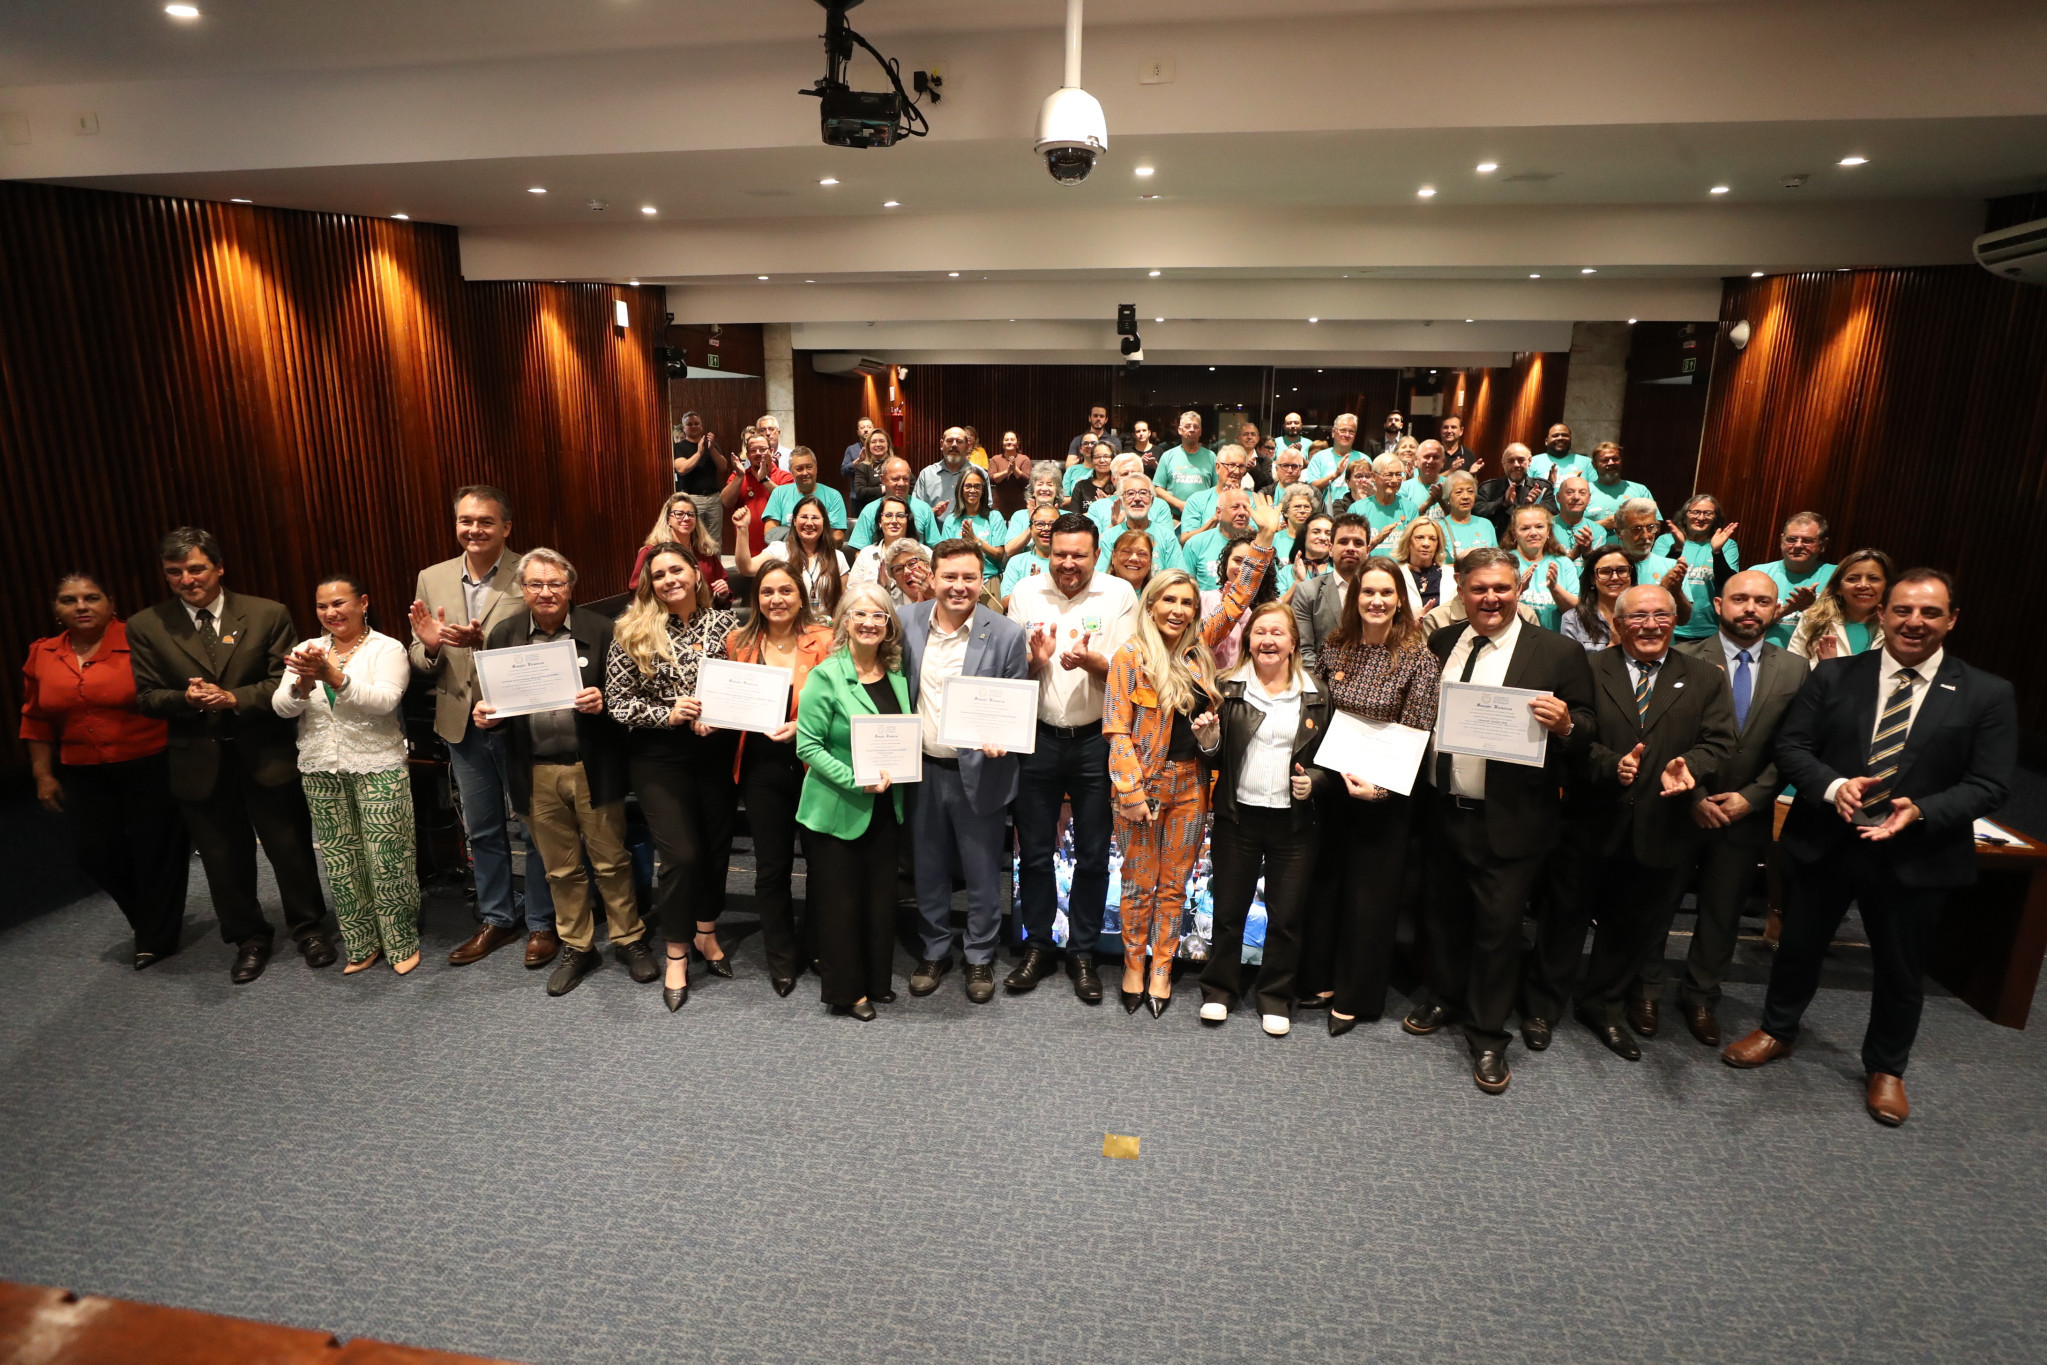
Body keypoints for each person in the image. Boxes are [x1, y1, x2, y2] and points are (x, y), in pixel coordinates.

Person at [1725, 570, 2015, 1127]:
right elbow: (1792, 745)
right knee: (1798, 948)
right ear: (1882, 615)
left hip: (1916, 850)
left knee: (1902, 968)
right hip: (1827, 838)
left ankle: (1886, 1067)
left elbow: (1991, 783)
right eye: (1902, 610)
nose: (1914, 622)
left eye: (1930, 613)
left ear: (1952, 620)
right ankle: (1777, 1029)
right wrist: (1833, 786)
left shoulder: (1986, 693)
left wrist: (1922, 810)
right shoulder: (1832, 675)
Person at [1407, 548, 1595, 1095]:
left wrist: (1565, 725)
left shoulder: (1557, 652)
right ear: (1460, 592)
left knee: (1497, 929)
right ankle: (1443, 995)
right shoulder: (1441, 643)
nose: (1491, 599)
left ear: (1518, 589)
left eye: (1502, 588)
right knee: (1442, 914)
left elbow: (1587, 727)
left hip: (1511, 818)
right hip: (1443, 807)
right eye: (1480, 589)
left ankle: (1488, 1032)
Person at [129, 528, 334, 982]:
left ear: (219, 567)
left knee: (291, 849)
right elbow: (146, 697)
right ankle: (248, 938)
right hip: (197, 761)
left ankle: (309, 928)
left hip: (265, 752)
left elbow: (286, 682)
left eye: (196, 568)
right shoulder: (146, 625)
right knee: (223, 858)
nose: (187, 579)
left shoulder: (267, 613)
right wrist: (187, 699)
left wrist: (233, 699)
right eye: (174, 572)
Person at [1555, 585, 1735, 1060]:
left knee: (1629, 927)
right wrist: (1609, 764)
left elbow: (1720, 741)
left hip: (1661, 825)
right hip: (1590, 819)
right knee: (1563, 920)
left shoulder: (1705, 677)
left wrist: (1689, 765)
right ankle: (1542, 1006)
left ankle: (1603, 1008)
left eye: (1661, 615)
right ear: (1617, 623)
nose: (1650, 625)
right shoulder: (1588, 670)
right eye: (1637, 617)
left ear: (1675, 621)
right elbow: (1569, 736)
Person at [1104, 532, 1272, 1017]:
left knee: (1175, 885)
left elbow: (1240, 597)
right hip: (1141, 788)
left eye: (1187, 602)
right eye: (1169, 601)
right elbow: (1116, 732)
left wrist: (1262, 539)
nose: (1178, 610)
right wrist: (1131, 792)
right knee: (1138, 884)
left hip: (1190, 788)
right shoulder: (1129, 657)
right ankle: (1133, 965)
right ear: (1151, 604)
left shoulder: (1199, 651)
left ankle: (1162, 967)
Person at [472, 549, 648, 997]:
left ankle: (629, 938)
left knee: (611, 861)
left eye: (556, 584)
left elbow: (629, 696)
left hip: (592, 767)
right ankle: (577, 944)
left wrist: (603, 703)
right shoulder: (504, 635)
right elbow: (491, 702)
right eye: (536, 584)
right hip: (535, 772)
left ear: (571, 587)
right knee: (561, 869)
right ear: (523, 589)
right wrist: (485, 715)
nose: (546, 592)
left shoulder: (602, 630)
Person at [408, 486, 560, 966]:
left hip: (522, 724)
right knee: (483, 829)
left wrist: (485, 643)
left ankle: (541, 922)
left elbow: (551, 637)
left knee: (536, 827)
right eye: (465, 521)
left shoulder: (532, 572)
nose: (474, 529)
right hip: (461, 726)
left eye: (485, 522)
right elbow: (420, 655)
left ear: (506, 527)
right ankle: (496, 916)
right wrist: (431, 647)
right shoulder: (431, 578)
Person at [19, 572, 189, 968]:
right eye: (68, 599)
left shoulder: (139, 639)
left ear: (110, 603)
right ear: (56, 609)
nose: (81, 606)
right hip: (82, 769)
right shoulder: (42, 653)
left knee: (156, 851)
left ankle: (155, 937)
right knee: (96, 854)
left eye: (91, 597)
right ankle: (148, 919)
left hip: (148, 761)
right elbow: (35, 718)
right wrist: (42, 774)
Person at [1006, 514, 1141, 1002]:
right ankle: (1038, 946)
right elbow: (1008, 671)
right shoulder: (1024, 592)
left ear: (1095, 553)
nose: (1067, 563)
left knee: (1091, 854)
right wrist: (1035, 662)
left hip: (1095, 740)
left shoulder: (1119, 595)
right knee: (1036, 852)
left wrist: (1090, 661)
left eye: (1078, 555)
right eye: (1059, 553)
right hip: (1037, 738)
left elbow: (1129, 673)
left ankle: (1082, 951)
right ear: (1048, 550)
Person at [1667, 570, 1805, 1045]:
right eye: (1740, 599)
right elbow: (1668, 737)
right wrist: (1696, 796)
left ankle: (1700, 995)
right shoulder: (1683, 657)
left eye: (1762, 602)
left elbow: (1794, 747)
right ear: (1720, 605)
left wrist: (1754, 797)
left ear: (1775, 609)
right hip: (1681, 805)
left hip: (1747, 810)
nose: (1750, 609)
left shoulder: (1793, 669)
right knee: (1658, 902)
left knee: (1723, 910)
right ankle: (1642, 985)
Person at [1306, 557, 1443, 1032]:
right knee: (1325, 886)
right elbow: (1318, 713)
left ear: (1400, 600)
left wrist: (1380, 791)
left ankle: (1357, 995)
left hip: (1384, 795)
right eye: (1368, 592)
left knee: (1369, 899)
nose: (1377, 601)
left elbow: (1419, 732)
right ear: (1354, 598)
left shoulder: (1418, 659)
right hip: (1332, 788)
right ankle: (1321, 977)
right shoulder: (1337, 646)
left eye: (1387, 593)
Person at [604, 543, 742, 1012]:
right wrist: (667, 713)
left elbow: (746, 686)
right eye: (658, 574)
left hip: (714, 751)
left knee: (715, 846)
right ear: (649, 583)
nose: (669, 579)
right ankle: (676, 951)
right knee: (681, 854)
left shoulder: (726, 625)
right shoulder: (630, 630)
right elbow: (617, 702)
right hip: (658, 755)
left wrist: (722, 715)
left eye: (676, 570)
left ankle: (706, 930)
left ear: (696, 574)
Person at [900, 541, 1031, 1003]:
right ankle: (935, 947)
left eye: (969, 578)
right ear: (931, 578)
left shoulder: (1007, 633)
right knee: (928, 867)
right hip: (921, 769)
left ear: (983, 581)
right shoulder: (907, 622)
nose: (959, 586)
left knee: (980, 873)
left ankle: (979, 956)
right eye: (950, 577)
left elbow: (1016, 702)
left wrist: (1006, 736)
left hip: (981, 770)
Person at [273, 572, 419, 976]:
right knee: (342, 860)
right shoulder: (307, 649)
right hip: (321, 765)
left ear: (363, 602)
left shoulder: (386, 648)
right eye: (322, 606)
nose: (330, 612)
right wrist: (302, 681)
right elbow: (281, 708)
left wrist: (334, 676)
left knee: (387, 858)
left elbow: (385, 701)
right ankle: (361, 942)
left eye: (339, 603)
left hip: (378, 763)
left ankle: (401, 940)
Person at [1197, 603, 1333, 1035]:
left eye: (1277, 633)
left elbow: (1332, 759)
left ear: (1294, 642)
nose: (1268, 641)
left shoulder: (1317, 693)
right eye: (1260, 633)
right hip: (1238, 816)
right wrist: (1207, 740)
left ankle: (1275, 996)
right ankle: (1220, 990)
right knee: (1229, 910)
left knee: (1287, 916)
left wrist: (1315, 781)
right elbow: (1214, 752)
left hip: (1294, 824)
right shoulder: (1225, 687)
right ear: (1248, 641)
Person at [794, 585, 912, 1020]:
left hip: (886, 809)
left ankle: (877, 981)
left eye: (878, 616)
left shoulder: (896, 675)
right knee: (841, 906)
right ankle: (847, 992)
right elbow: (808, 746)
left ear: (888, 625)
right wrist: (856, 781)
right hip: (836, 809)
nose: (868, 622)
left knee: (880, 900)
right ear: (844, 621)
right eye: (860, 614)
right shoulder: (826, 675)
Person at [721, 561, 834, 996]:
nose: (776, 600)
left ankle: (819, 947)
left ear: (800, 595)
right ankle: (781, 956)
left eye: (785, 590)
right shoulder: (738, 642)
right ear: (756, 599)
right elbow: (726, 701)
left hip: (816, 767)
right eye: (767, 592)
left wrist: (802, 723)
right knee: (772, 869)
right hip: (762, 769)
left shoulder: (823, 641)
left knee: (822, 866)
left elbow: (841, 697)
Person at [735, 496, 850, 621]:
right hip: (789, 628)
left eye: (815, 518)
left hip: (825, 630)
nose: (809, 523)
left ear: (824, 522)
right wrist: (742, 529)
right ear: (794, 521)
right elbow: (747, 568)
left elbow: (844, 601)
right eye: (804, 517)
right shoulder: (780, 550)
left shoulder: (837, 556)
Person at [1201, 507, 1287, 670]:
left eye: (1249, 562)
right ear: (1225, 564)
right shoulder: (1205, 600)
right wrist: (1226, 610)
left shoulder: (1276, 606)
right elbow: (1205, 647)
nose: (1242, 568)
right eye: (1237, 560)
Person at [1649, 495, 1740, 641]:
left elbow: (1730, 585)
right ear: (1685, 514)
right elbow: (1658, 580)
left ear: (1715, 518)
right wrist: (1677, 549)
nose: (1701, 517)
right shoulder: (1665, 541)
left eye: (1708, 513)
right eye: (1695, 512)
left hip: (1708, 630)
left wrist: (1717, 552)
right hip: (1668, 627)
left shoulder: (1727, 545)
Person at [1292, 514, 1373, 674]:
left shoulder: (1381, 594)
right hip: (1324, 688)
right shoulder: (1308, 592)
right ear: (1330, 548)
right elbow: (1304, 653)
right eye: (1343, 542)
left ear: (1368, 550)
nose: (1350, 548)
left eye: (1358, 543)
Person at [1789, 547, 1892, 662]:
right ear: (1838, 588)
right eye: (1853, 579)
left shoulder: (1896, 626)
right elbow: (1792, 671)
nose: (1863, 585)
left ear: (1887, 586)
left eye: (1873, 579)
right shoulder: (1812, 619)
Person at [1753, 512, 1836, 648]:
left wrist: (1812, 609)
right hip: (1762, 658)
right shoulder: (1757, 574)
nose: (1798, 545)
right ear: (1782, 540)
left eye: (1807, 540)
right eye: (1791, 539)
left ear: (1823, 544)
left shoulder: (1838, 576)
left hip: (1813, 660)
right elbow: (1744, 626)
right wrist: (1788, 609)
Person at [629, 494, 730, 606]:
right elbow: (638, 591)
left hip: (704, 615)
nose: (686, 518)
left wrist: (723, 594)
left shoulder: (706, 552)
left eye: (691, 514)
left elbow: (722, 590)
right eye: (679, 514)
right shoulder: (651, 553)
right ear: (668, 520)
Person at [1612, 498, 1692, 624]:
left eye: (1650, 527)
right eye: (1637, 529)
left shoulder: (1671, 567)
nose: (1646, 536)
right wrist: (1662, 590)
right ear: (1619, 532)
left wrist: (1676, 592)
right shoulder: (1608, 567)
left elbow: (1683, 620)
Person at [721, 429, 793, 558]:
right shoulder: (738, 476)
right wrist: (739, 476)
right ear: (747, 455)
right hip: (749, 552)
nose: (758, 454)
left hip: (780, 550)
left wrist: (764, 480)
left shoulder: (785, 477)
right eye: (753, 450)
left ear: (771, 451)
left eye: (762, 449)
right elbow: (726, 502)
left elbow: (787, 501)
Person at [1507, 505, 1581, 631]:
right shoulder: (1504, 562)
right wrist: (1520, 590)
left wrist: (1554, 588)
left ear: (1548, 531)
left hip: (1555, 640)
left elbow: (1575, 611)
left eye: (1539, 527)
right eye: (1525, 528)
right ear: (1514, 534)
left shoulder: (1564, 563)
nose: (1533, 533)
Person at [1094, 476, 1185, 574]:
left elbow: (1179, 577)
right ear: (1121, 502)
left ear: (1152, 501)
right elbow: (1101, 577)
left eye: (1143, 493)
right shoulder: (1109, 536)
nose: (1137, 498)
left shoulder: (1166, 537)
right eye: (1130, 493)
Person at [761, 447, 849, 546]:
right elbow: (770, 533)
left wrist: (804, 543)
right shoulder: (779, 493)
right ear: (791, 471)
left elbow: (838, 537)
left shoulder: (833, 496)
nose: (805, 473)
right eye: (799, 469)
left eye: (809, 467)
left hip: (821, 556)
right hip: (786, 555)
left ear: (816, 468)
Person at [848, 456, 940, 548]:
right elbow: (859, 551)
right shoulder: (869, 511)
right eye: (895, 479)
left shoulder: (924, 509)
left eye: (905, 479)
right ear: (883, 479)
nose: (901, 483)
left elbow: (935, 548)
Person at [1561, 545, 1638, 650]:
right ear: (1593, 579)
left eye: (1622, 571)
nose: (1615, 577)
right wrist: (1614, 645)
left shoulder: (1645, 617)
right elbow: (1571, 664)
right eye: (1605, 572)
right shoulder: (1573, 620)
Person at [939, 464, 1008, 580]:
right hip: (959, 579)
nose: (972, 490)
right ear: (960, 488)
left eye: (977, 486)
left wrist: (975, 540)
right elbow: (944, 556)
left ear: (983, 490)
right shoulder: (951, 520)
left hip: (988, 578)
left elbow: (999, 555)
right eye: (968, 486)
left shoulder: (994, 517)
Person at [1181, 485, 1256, 591]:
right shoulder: (1196, 543)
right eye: (1235, 507)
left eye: (1246, 508)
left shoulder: (1257, 545)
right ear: (1219, 512)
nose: (1242, 513)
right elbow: (1184, 586)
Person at [1475, 442, 1557, 538]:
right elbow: (1476, 512)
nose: (1516, 465)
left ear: (1529, 461)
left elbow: (1555, 515)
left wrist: (1537, 504)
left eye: (1521, 460)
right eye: (1511, 461)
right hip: (1498, 544)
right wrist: (1503, 503)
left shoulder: (1542, 486)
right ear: (1503, 463)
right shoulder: (1488, 487)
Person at [671, 409, 729, 542]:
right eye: (689, 424)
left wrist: (712, 448)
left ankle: (715, 563)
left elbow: (723, 467)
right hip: (692, 498)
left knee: (715, 539)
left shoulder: (711, 445)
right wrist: (699, 453)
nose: (693, 426)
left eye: (696, 423)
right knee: (694, 537)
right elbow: (681, 469)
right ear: (684, 428)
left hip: (714, 498)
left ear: (701, 426)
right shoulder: (679, 447)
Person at [847, 496, 921, 592]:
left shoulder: (924, 553)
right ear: (879, 522)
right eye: (888, 515)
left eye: (900, 516)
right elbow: (851, 594)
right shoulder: (866, 555)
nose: (894, 521)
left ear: (908, 521)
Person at [1175, 445, 1254, 534]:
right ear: (1217, 467)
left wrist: (1240, 515)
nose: (1236, 471)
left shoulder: (1253, 500)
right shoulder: (1197, 500)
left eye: (1241, 467)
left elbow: (1260, 538)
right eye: (1231, 465)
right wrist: (1217, 517)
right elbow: (1186, 540)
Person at [1154, 410, 1215, 513]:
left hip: (1203, 517)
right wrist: (1179, 504)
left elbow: (1217, 489)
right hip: (1174, 518)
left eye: (1196, 427)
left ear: (1200, 431)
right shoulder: (1168, 456)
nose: (1192, 430)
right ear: (1180, 430)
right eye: (1187, 426)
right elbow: (1157, 489)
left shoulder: (1211, 456)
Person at [1584, 442, 1657, 526]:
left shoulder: (1640, 491)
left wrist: (1630, 524)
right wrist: (1601, 524)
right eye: (1605, 460)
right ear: (1594, 465)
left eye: (1615, 459)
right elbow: (1569, 527)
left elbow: (1656, 525)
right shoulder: (1582, 491)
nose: (1611, 463)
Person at [1392, 517, 1451, 620]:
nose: (1426, 544)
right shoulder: (1395, 574)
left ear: (1438, 544)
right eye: (1419, 537)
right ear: (1408, 541)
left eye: (1432, 539)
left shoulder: (1451, 575)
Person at [1000, 504, 1060, 601]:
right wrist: (1028, 588)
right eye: (1040, 524)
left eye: (1052, 524)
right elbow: (1006, 602)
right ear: (1030, 529)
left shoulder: (1069, 562)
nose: (1046, 528)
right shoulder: (1017, 562)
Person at [1434, 471, 1498, 560]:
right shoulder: (1439, 527)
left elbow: (1496, 559)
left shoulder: (1486, 524)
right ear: (1448, 497)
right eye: (1459, 492)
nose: (1466, 496)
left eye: (1470, 491)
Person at [912, 426, 974, 516]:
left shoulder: (978, 474)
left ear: (967, 446)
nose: (954, 445)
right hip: (935, 529)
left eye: (959, 441)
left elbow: (986, 510)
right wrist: (932, 512)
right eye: (949, 441)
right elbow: (916, 510)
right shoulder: (927, 474)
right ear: (941, 444)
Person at [1304, 413, 1367, 499]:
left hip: (1355, 511)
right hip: (1326, 511)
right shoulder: (1319, 458)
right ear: (1333, 432)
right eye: (1343, 430)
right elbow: (1311, 488)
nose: (1347, 435)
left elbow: (1372, 491)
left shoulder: (1364, 459)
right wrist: (1335, 475)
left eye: (1351, 431)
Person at [1279, 511, 1335, 595]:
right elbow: (1277, 607)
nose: (1323, 538)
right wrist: (1298, 581)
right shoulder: (1286, 572)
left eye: (1328, 533)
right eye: (1316, 532)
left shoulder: (1339, 571)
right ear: (1304, 536)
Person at [843, 422, 886, 518]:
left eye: (869, 427)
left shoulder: (885, 454)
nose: (866, 429)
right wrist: (858, 461)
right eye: (862, 427)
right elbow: (843, 470)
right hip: (858, 496)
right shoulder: (851, 449)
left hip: (884, 499)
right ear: (858, 432)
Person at [1553, 475, 1599, 561]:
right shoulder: (1545, 527)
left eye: (1582, 493)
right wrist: (1572, 556)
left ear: (1589, 499)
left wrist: (1588, 552)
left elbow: (1599, 569)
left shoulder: (1598, 531)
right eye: (1570, 492)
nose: (1576, 497)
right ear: (1558, 497)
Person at [988, 430, 1033, 516]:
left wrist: (1015, 469)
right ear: (1002, 443)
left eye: (1012, 439)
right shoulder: (995, 459)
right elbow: (992, 478)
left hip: (1019, 504)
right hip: (999, 505)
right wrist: (1007, 472)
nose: (1009, 442)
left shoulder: (1024, 459)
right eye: (1006, 440)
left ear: (1017, 443)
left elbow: (1027, 480)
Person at [880, 538, 933, 608]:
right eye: (898, 569)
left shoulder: (944, 596)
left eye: (911, 564)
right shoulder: (890, 607)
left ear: (927, 566)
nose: (906, 572)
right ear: (895, 580)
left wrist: (932, 597)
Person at [1106, 528, 1156, 597]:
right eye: (1126, 552)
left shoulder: (1157, 598)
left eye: (1142, 554)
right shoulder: (1097, 594)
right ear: (1113, 556)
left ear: (1150, 560)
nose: (1134, 558)